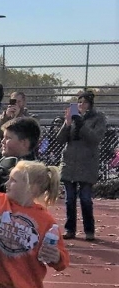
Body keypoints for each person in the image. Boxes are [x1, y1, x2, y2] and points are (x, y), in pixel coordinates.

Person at [56, 91, 107, 241]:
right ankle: (70, 229)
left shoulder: (98, 118)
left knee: (85, 198)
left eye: (85, 102)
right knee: (69, 198)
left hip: (87, 163)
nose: (81, 105)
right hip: (69, 162)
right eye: (79, 102)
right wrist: (67, 123)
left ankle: (89, 231)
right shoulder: (72, 117)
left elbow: (95, 138)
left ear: (90, 104)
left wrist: (81, 124)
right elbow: (60, 139)